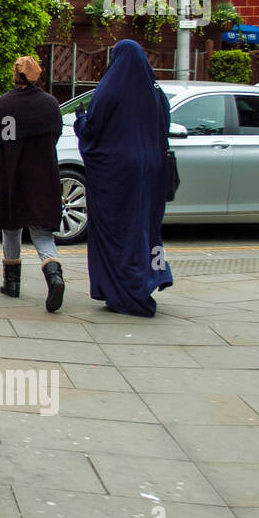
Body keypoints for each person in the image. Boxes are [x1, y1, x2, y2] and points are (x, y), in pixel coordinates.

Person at [74, 39, 174, 317]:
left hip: (116, 172)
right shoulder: (156, 92)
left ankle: (123, 289)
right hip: (152, 170)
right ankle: (152, 275)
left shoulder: (110, 89)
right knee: (145, 226)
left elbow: (93, 129)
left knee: (116, 230)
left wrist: (80, 119)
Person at [0, 56, 65, 312]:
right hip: (42, 173)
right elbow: (56, 133)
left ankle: (12, 283)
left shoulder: (5, 103)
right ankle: (54, 275)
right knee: (41, 231)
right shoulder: (50, 104)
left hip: (10, 173)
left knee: (11, 226)